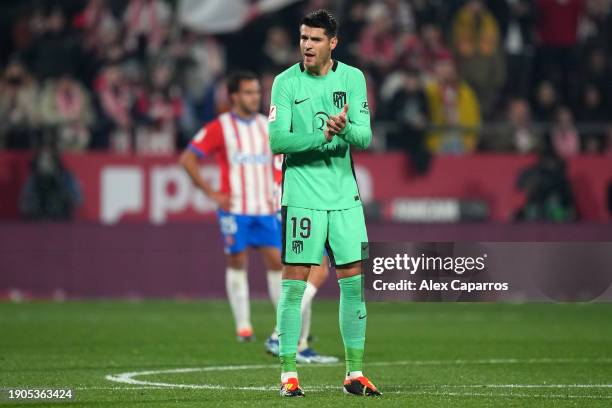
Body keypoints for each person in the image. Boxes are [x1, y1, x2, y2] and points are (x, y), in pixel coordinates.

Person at [269, 9, 381, 397]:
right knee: (293, 285)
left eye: (315, 39)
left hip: (345, 201)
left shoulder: (352, 79)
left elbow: (364, 137)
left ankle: (354, 374)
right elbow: (277, 141)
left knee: (354, 287)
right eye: (303, 38)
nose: (307, 45)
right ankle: (288, 375)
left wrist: (344, 128)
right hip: (302, 199)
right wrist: (321, 137)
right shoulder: (285, 83)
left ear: (333, 43)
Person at [179, 71, 282, 343]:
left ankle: (284, 325)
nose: (255, 97)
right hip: (235, 208)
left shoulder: (268, 126)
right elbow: (188, 158)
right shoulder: (220, 127)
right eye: (249, 92)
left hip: (266, 208)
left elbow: (281, 162)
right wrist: (211, 192)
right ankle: (244, 326)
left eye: (257, 92)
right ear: (234, 96)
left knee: (277, 263)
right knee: (237, 263)